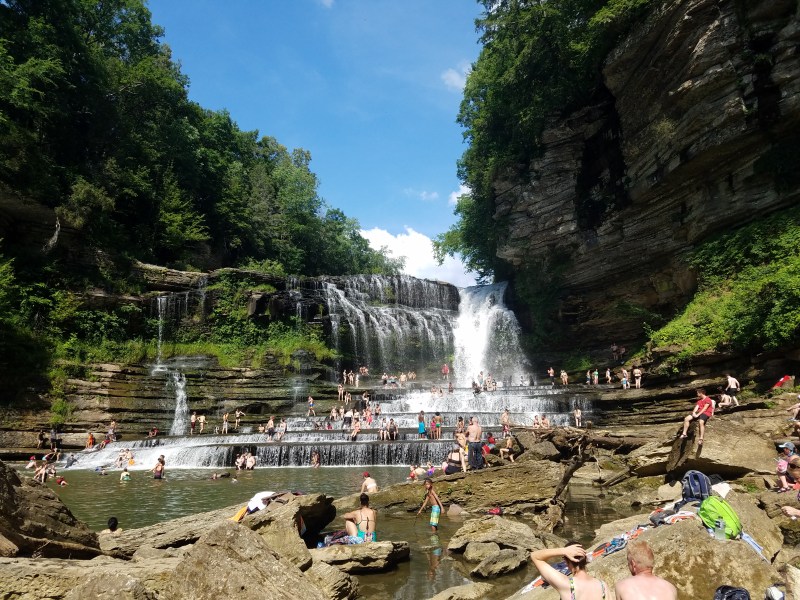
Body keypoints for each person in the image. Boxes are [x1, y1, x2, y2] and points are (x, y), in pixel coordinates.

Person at [530, 543, 608, 600]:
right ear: (585, 559)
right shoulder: (603, 585)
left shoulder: (566, 584)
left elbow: (535, 556)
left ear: (566, 561)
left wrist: (563, 551)